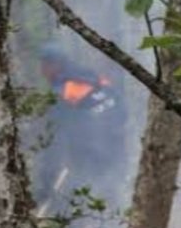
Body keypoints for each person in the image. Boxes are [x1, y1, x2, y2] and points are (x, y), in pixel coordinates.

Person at [36, 45, 127, 214]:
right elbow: (122, 113)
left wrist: (46, 185)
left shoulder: (63, 93)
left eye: (44, 66)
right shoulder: (96, 79)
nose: (42, 72)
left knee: (72, 213)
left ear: (55, 65)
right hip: (116, 152)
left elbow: (53, 141)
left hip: (88, 159)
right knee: (111, 207)